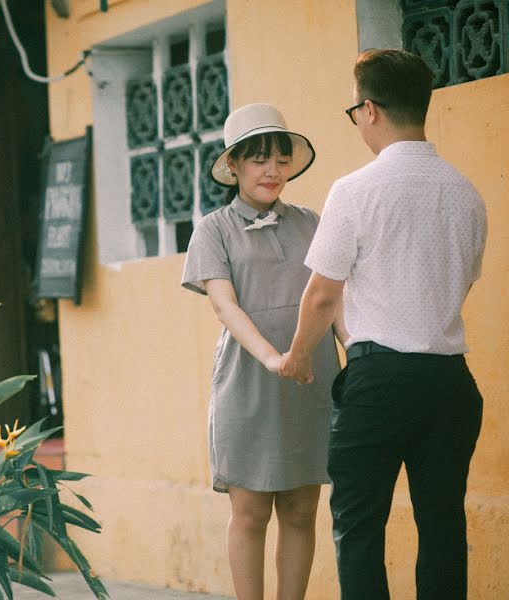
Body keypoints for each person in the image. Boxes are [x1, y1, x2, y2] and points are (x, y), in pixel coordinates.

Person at [280, 49, 487, 599]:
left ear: (369, 110)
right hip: (451, 382)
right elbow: (460, 284)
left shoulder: (354, 191)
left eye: (354, 113)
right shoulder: (465, 193)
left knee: (360, 526)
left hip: (379, 383)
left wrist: (298, 355)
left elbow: (323, 294)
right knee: (443, 526)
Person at [181, 103, 342, 600]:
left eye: (280, 159)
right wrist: (274, 358)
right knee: (250, 513)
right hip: (248, 382)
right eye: (258, 159)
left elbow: (332, 298)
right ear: (233, 166)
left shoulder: (313, 222)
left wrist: (357, 352)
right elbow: (224, 306)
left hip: (312, 380)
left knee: (300, 510)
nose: (272, 170)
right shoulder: (213, 229)